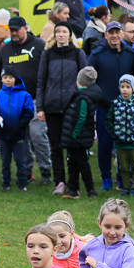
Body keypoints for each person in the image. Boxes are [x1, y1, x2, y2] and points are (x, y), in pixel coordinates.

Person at [0, 17, 48, 185]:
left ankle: (46, 171)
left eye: (17, 29)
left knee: (38, 135)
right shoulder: (5, 49)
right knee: (20, 137)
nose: (14, 33)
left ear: (26, 28)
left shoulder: (39, 45)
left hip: (34, 98)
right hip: (14, 101)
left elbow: (48, 70)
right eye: (12, 30)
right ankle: (26, 172)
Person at [37, 20, 87, 194]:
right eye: (58, 32)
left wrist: (82, 102)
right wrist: (40, 107)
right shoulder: (47, 55)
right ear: (54, 35)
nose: (61, 35)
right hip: (51, 107)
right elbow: (41, 82)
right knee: (56, 146)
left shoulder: (77, 53)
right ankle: (59, 181)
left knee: (73, 146)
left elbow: (84, 80)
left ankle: (74, 182)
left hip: (72, 106)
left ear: (69, 34)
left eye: (64, 32)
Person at [89, 22, 134, 190]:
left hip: (126, 109)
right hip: (105, 108)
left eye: (117, 32)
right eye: (111, 33)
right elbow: (90, 80)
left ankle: (122, 177)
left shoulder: (131, 54)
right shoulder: (97, 55)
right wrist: (100, 98)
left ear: (122, 34)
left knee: (124, 145)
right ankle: (106, 178)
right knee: (104, 144)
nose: (115, 35)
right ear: (106, 35)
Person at [61, 67, 103, 200]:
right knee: (72, 163)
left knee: (82, 163)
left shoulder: (83, 98)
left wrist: (74, 134)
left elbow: (81, 117)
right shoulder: (80, 96)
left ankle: (90, 190)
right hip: (75, 138)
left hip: (78, 139)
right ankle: (73, 189)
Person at [0, 68, 35, 191]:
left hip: (19, 134)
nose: (8, 80)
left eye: (10, 77)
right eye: (5, 77)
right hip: (3, 134)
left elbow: (29, 112)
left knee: (20, 161)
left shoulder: (24, 95)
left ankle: (22, 183)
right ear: (1, 79)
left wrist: (20, 124)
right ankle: (5, 183)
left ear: (15, 79)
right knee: (5, 161)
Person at [108, 74, 134, 196]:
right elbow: (109, 120)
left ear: (132, 88)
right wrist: (114, 134)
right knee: (123, 167)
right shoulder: (115, 104)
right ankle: (125, 188)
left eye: (128, 87)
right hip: (120, 143)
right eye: (122, 86)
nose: (125, 89)